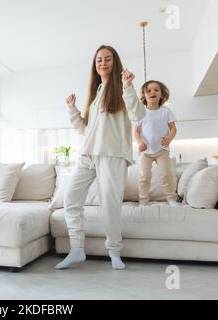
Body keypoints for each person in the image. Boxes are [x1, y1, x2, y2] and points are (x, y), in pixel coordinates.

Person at [55, 45, 146, 270]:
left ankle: (114, 252)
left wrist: (128, 87)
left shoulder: (122, 89)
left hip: (112, 155)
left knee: (109, 205)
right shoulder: (96, 94)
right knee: (71, 198)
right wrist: (72, 109)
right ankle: (77, 249)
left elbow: (139, 114)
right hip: (88, 155)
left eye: (107, 59)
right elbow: (85, 131)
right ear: (94, 66)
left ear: (115, 62)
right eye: (98, 60)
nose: (103, 63)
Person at [134, 80, 179, 207]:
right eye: (148, 90)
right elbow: (136, 131)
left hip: (162, 150)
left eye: (156, 90)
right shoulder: (141, 113)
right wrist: (140, 142)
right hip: (145, 152)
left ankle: (171, 199)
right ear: (144, 96)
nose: (152, 92)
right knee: (144, 176)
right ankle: (143, 201)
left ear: (161, 95)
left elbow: (173, 128)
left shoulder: (166, 112)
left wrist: (169, 138)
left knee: (166, 174)